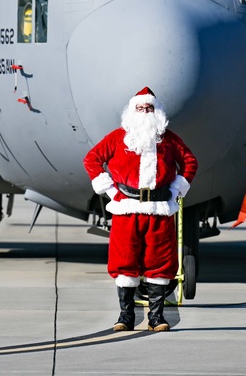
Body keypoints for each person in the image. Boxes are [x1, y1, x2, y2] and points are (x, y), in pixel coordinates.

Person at [83, 87, 198, 332]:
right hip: (127, 209)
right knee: (124, 262)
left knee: (159, 263)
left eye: (149, 108)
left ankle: (157, 318)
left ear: (157, 112)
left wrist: (177, 190)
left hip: (159, 209)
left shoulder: (168, 139)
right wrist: (112, 191)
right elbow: (92, 159)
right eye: (140, 108)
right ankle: (126, 316)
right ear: (132, 111)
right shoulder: (117, 138)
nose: (145, 112)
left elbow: (189, 162)